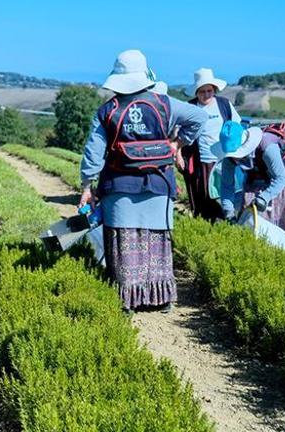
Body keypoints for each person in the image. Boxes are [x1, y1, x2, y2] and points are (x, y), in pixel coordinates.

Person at [79, 49, 208, 313]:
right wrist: (177, 143)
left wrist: (86, 187)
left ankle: (128, 299)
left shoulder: (108, 110)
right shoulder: (164, 103)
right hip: (159, 183)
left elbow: (93, 152)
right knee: (158, 239)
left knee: (124, 241)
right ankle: (162, 298)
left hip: (119, 187)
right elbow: (199, 117)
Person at [215, 121, 285, 243]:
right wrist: (229, 212)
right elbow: (226, 186)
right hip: (258, 177)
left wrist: (264, 198)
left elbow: (281, 178)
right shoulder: (229, 158)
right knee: (251, 217)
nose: (234, 158)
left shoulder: (268, 147)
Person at [179, 68, 241, 220]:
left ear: (214, 90)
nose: (206, 95)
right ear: (196, 92)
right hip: (201, 162)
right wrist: (178, 155)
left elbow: (237, 127)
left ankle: (227, 225)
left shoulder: (224, 105)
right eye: (202, 91)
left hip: (224, 161)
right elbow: (179, 134)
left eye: (209, 90)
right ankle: (207, 226)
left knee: (225, 196)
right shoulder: (190, 108)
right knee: (204, 198)